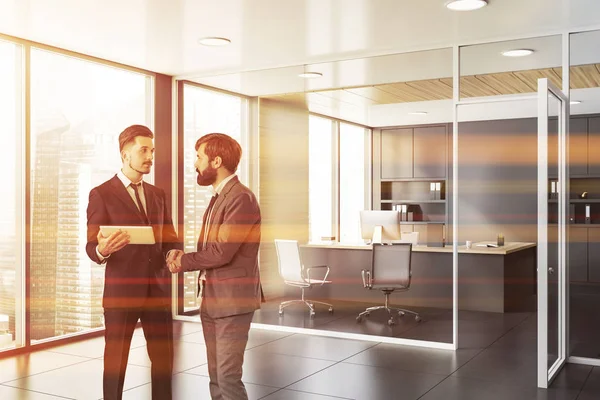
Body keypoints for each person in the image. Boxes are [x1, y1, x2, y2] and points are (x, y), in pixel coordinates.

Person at [85, 124, 181, 400]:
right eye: (143, 150)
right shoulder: (101, 193)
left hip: (157, 292)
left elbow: (170, 238)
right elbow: (92, 246)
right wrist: (102, 249)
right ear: (125, 154)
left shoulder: (157, 195)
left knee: (163, 362)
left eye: (151, 150)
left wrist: (174, 253)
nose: (150, 155)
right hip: (121, 293)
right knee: (115, 363)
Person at [168, 133, 263, 400]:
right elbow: (212, 249)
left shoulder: (240, 197)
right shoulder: (219, 196)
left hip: (232, 301)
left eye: (199, 157)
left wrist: (183, 261)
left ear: (216, 160)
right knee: (216, 378)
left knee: (228, 378)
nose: (195, 163)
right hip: (212, 298)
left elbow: (222, 252)